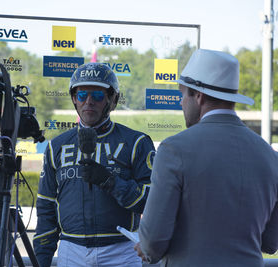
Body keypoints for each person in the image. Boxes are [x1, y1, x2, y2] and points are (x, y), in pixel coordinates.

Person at [135, 49, 278, 266]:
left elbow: (153, 243)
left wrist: (144, 246)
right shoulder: (270, 156)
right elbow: (270, 242)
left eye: (183, 95)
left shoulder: (174, 149)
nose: (181, 103)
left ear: (198, 96)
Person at [33, 62, 155, 267]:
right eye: (82, 95)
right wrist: (41, 259)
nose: (89, 101)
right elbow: (46, 207)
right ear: (74, 99)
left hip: (121, 250)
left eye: (97, 96)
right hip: (71, 250)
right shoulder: (56, 146)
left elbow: (152, 202)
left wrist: (111, 182)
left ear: (112, 100)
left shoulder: (137, 142)